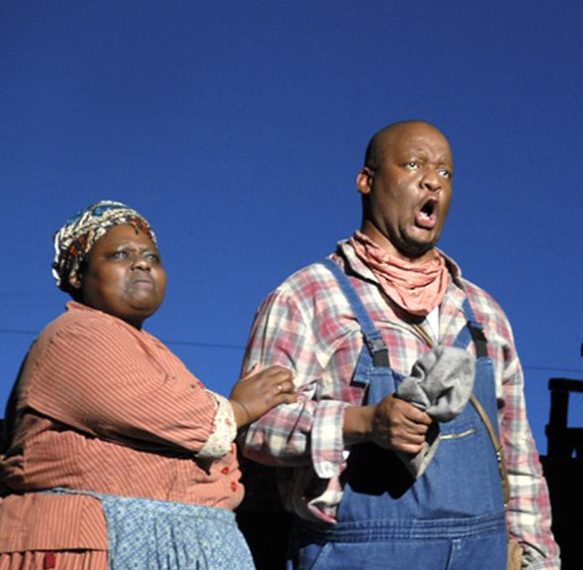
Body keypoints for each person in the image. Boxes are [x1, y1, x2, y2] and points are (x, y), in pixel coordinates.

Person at [239, 120, 560, 569]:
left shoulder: (483, 314)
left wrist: (536, 557)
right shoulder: (307, 296)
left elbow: (518, 453)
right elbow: (256, 428)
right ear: (366, 180)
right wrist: (362, 423)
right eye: (413, 165)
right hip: (357, 554)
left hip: (482, 555)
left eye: (445, 173)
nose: (433, 181)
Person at [0, 200, 297, 569]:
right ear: (78, 275)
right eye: (120, 254)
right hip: (91, 543)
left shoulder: (146, 348)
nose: (142, 263)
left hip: (168, 538)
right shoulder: (76, 335)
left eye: (152, 257)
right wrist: (239, 409)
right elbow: (160, 410)